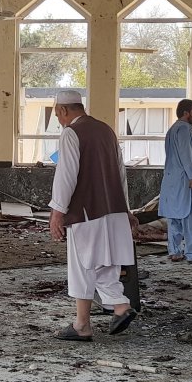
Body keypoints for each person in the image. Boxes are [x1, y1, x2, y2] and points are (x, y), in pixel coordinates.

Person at [48, 90, 139, 341]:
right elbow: (121, 172)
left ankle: (87, 323)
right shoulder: (106, 130)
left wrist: (57, 212)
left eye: (57, 114)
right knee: (106, 265)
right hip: (113, 210)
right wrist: (127, 209)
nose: (59, 119)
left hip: (87, 212)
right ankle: (111, 310)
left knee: (83, 266)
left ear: (64, 111)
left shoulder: (71, 133)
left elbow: (66, 176)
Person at [159, 98, 192, 265]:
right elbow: (186, 156)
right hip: (186, 180)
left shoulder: (172, 130)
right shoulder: (184, 130)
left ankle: (175, 252)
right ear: (186, 113)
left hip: (173, 180)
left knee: (175, 216)